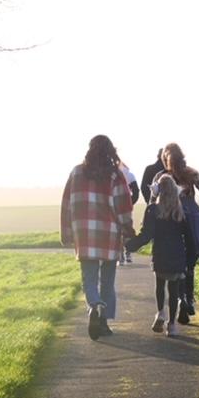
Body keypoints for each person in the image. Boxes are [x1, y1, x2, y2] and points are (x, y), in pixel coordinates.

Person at [61, 135, 135, 340]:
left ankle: (94, 306)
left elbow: (66, 204)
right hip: (109, 234)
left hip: (84, 234)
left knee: (89, 279)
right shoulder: (115, 175)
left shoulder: (76, 172)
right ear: (111, 151)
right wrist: (128, 228)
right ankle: (103, 321)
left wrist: (66, 232)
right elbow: (123, 206)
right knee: (108, 281)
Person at [153, 143, 199, 325]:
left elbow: (154, 201)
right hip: (192, 221)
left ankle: (180, 299)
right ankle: (187, 299)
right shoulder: (191, 173)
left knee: (175, 266)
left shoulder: (161, 176)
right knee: (190, 263)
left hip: (173, 222)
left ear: (165, 159)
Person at [126, 174, 192, 336]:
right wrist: (191, 259)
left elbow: (146, 234)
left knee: (160, 285)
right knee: (174, 288)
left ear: (157, 190)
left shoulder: (153, 210)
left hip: (160, 255)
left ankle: (160, 312)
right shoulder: (181, 210)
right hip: (177, 255)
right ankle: (172, 325)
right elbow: (189, 236)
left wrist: (129, 245)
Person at [118, 161, 140, 265]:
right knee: (127, 229)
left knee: (118, 231)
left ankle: (120, 255)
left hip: (115, 206)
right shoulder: (130, 175)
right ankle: (128, 253)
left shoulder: (113, 174)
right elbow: (136, 192)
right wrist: (131, 202)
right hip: (127, 206)